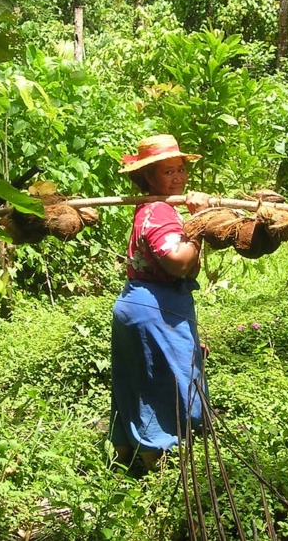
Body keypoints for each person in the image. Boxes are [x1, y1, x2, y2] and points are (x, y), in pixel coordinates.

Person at [110, 134, 212, 471]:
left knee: (137, 380)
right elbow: (178, 262)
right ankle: (158, 467)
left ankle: (125, 460)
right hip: (155, 310)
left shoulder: (150, 208)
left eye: (180, 169)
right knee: (165, 384)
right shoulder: (160, 212)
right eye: (168, 172)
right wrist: (197, 224)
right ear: (148, 177)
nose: (178, 177)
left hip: (138, 305)